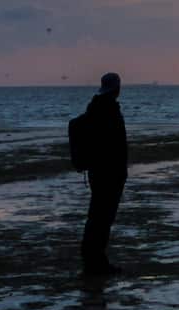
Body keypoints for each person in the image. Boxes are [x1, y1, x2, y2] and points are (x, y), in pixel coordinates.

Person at [73, 73, 128, 276]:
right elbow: (112, 145)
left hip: (100, 172)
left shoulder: (95, 108)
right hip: (108, 172)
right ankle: (94, 262)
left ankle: (93, 260)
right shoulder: (108, 110)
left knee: (98, 217)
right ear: (116, 88)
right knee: (102, 218)